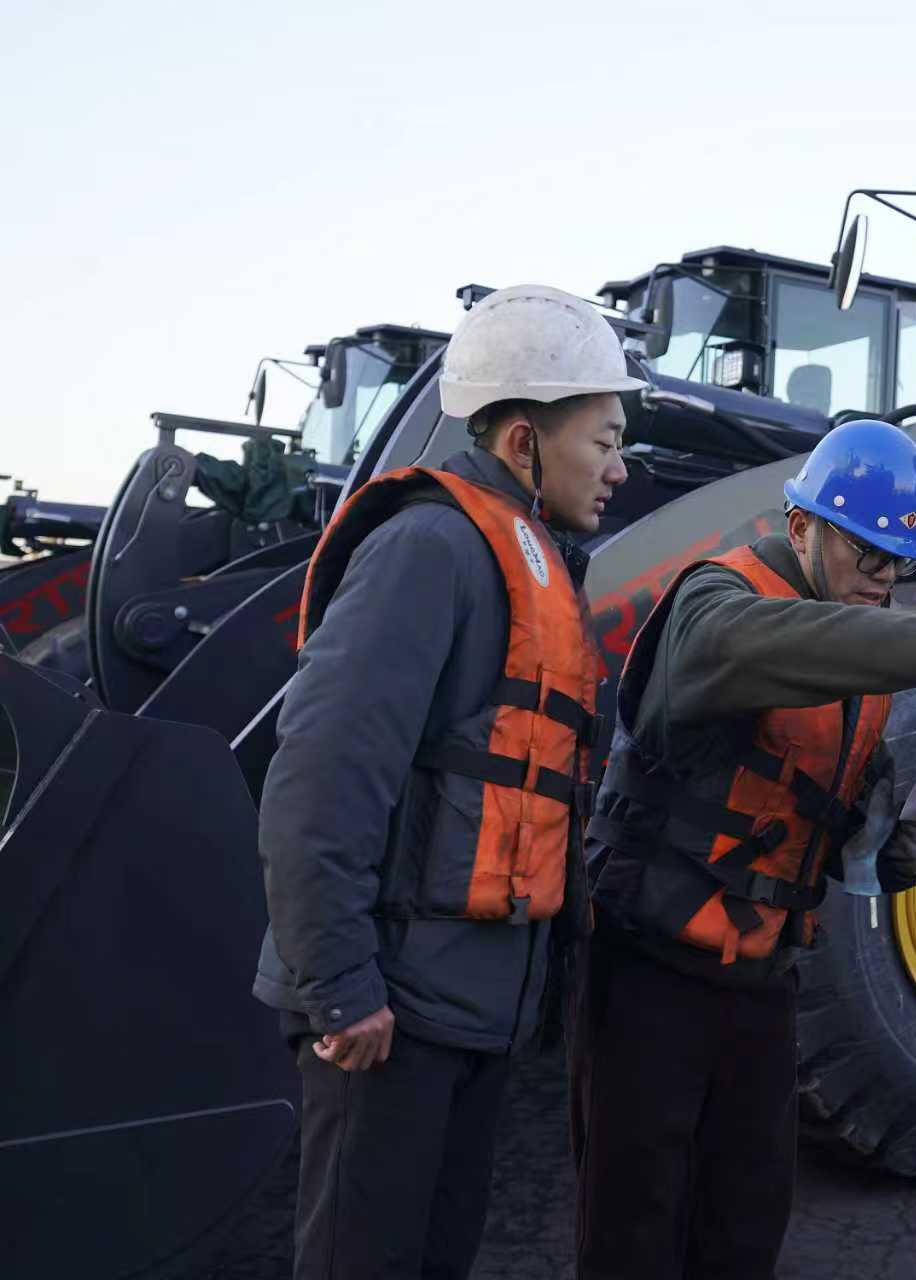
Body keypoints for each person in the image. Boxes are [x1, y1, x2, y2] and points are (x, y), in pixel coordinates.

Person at [574, 419, 916, 1280]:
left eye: (897, 562)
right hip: (650, 972)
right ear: (800, 528)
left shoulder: (853, 653)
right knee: (633, 1226)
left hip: (759, 984)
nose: (882, 579)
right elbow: (751, 645)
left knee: (745, 1224)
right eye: (865, 555)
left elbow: (849, 854)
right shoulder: (716, 603)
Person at [251, 284, 642, 1279]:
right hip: (388, 1012)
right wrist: (340, 988)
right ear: (521, 440)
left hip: (467, 1010)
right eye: (601, 440)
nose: (618, 467)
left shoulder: (533, 557)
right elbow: (320, 776)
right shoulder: (428, 547)